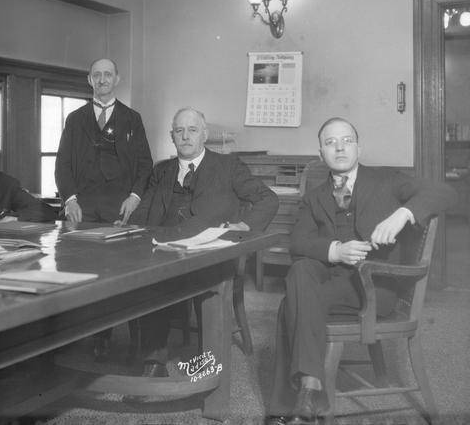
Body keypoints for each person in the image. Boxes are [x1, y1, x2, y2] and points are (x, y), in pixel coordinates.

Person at [266, 117, 456, 425]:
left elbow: (444, 192)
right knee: (300, 271)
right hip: (331, 279)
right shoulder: (314, 197)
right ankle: (310, 389)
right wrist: (336, 250)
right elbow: (298, 242)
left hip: (375, 286)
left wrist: (404, 214)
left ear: (358, 146)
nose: (339, 147)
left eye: (346, 140)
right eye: (330, 143)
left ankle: (292, 402)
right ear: (320, 154)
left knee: (293, 302)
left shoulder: (387, 180)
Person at [129, 107, 279, 378]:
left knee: (206, 279)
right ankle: (153, 363)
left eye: (192, 130)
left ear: (204, 135)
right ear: (172, 136)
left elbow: (268, 199)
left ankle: (207, 364)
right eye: (179, 131)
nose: (185, 136)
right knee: (147, 277)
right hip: (166, 252)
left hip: (210, 255)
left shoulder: (228, 167)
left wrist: (244, 226)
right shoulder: (161, 170)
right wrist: (130, 231)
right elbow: (143, 214)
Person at [55, 58, 153, 361]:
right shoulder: (75, 119)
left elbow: (144, 165)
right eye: (96, 75)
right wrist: (69, 200)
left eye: (107, 74)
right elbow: (62, 165)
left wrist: (135, 197)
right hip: (82, 211)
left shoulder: (132, 118)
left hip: (119, 212)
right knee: (82, 276)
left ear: (117, 79)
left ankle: (120, 341)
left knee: (118, 277)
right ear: (89, 80)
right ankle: (89, 338)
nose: (102, 79)